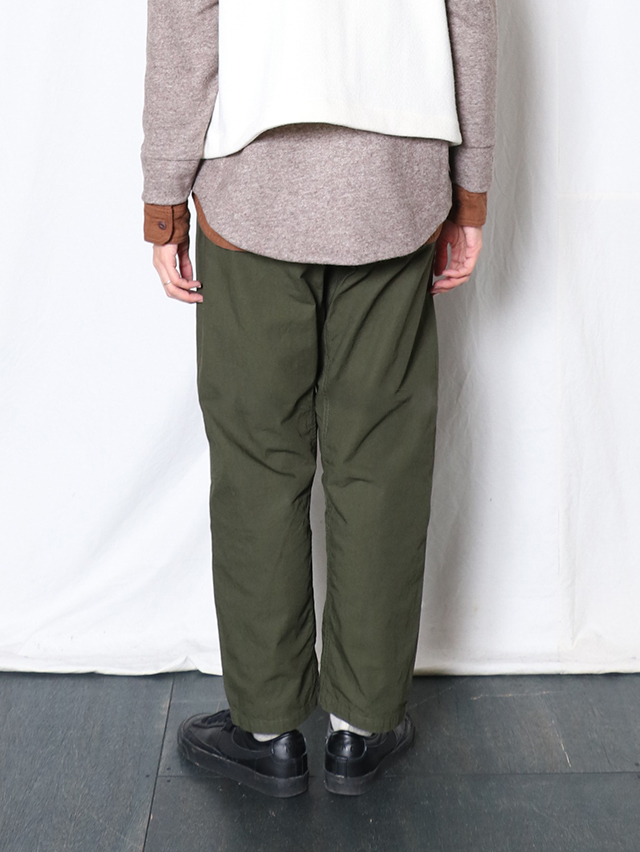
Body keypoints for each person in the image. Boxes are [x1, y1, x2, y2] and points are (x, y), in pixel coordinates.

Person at [141, 0, 497, 798]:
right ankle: (361, 727)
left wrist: (164, 198)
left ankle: (267, 730)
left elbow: (184, 22)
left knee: (258, 462)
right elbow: (471, 16)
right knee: (381, 462)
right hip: (394, 184)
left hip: (253, 185)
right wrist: (470, 189)